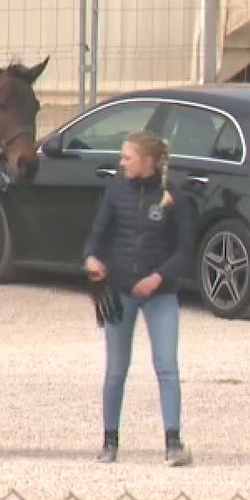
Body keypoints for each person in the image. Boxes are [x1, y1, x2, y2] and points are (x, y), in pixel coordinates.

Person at [83, 131, 195, 466]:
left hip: (160, 293)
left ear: (147, 161)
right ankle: (109, 440)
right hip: (121, 290)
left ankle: (173, 442)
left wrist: (159, 276)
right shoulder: (117, 191)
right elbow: (97, 234)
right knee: (116, 368)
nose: (122, 163)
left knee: (166, 367)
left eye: (127, 158)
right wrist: (91, 258)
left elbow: (185, 249)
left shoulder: (173, 197)